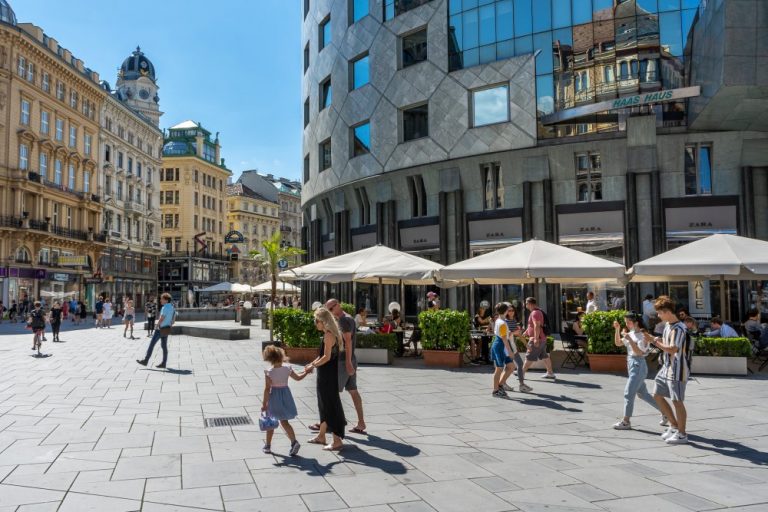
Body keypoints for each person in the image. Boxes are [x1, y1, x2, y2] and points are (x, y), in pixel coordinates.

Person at [651, 295, 692, 445]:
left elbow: (672, 349)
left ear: (667, 311)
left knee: (677, 401)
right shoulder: (668, 326)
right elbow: (667, 344)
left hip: (677, 369)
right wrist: (654, 340)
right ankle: (674, 426)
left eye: (660, 312)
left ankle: (682, 434)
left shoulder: (679, 328)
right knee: (657, 394)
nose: (658, 315)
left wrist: (654, 341)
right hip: (666, 367)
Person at [611, 312, 663, 430]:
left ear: (636, 322)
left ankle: (626, 421)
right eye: (625, 322)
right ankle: (666, 412)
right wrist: (617, 329)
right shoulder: (631, 333)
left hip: (638, 365)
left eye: (629, 322)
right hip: (632, 364)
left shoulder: (643, 335)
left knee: (628, 393)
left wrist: (630, 339)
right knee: (643, 394)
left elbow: (640, 352)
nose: (627, 324)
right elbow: (618, 343)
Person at [306, 307, 347, 451]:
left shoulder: (329, 335)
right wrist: (312, 364)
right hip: (327, 373)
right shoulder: (329, 334)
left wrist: (313, 366)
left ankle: (336, 441)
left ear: (323, 321)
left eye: (316, 320)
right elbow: (322, 354)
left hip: (327, 375)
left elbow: (326, 357)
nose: (315, 323)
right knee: (324, 404)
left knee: (330, 405)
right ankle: (321, 436)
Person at [261, 345, 310, 456]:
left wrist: (264, 404)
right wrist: (306, 372)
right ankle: (294, 442)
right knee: (285, 422)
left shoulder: (269, 372)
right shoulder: (287, 368)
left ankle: (268, 446)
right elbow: (298, 378)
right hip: (286, 396)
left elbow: (267, 389)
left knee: (271, 423)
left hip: (274, 398)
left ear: (269, 359)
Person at [327, 298, 366, 434]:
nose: (330, 312)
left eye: (331, 309)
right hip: (349, 360)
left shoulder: (344, 320)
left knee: (331, 392)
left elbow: (348, 342)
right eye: (328, 310)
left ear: (338, 305)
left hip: (344, 361)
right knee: (353, 391)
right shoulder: (347, 318)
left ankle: (329, 423)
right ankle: (361, 423)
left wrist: (348, 363)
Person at [137, 293, 176, 369]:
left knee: (152, 345)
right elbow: (174, 319)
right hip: (166, 329)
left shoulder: (165, 307)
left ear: (166, 300)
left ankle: (146, 360)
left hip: (160, 329)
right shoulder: (172, 307)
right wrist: (170, 324)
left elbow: (162, 318)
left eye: (162, 299)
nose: (160, 300)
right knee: (164, 346)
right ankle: (164, 363)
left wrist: (157, 325)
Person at [522, 297, 557, 380]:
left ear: (530, 304)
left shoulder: (535, 313)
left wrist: (536, 339)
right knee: (545, 356)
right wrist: (526, 332)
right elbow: (532, 325)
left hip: (537, 338)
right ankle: (550, 373)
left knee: (529, 356)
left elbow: (537, 326)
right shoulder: (536, 312)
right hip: (542, 338)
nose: (525, 305)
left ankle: (521, 373)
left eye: (526, 303)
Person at [502, 302, 533, 393]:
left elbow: (518, 334)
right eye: (509, 311)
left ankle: (504, 383)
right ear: (506, 312)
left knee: (509, 366)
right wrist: (515, 332)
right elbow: (509, 334)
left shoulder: (513, 321)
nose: (511, 312)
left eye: (512, 310)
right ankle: (521, 385)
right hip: (508, 346)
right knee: (518, 364)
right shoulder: (506, 322)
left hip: (511, 345)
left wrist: (526, 345)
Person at [490, 303, 516, 397]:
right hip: (501, 346)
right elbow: (504, 339)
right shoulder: (502, 322)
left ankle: (500, 385)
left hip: (501, 344)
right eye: (508, 309)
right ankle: (496, 390)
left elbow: (503, 335)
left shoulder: (500, 320)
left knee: (511, 366)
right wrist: (510, 351)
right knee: (499, 368)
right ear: (505, 311)